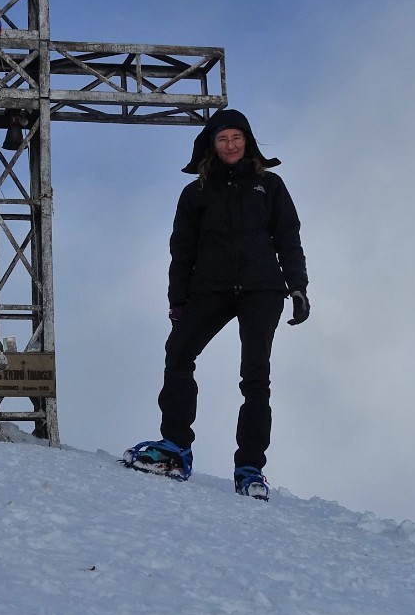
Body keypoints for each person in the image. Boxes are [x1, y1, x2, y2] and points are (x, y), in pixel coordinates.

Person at [124, 108, 308, 499]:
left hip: (263, 288)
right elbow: (182, 251)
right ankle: (175, 449)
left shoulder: (270, 186)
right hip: (211, 287)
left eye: (237, 138)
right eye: (223, 139)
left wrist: (298, 288)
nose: (231, 145)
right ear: (211, 144)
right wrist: (178, 299)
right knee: (178, 353)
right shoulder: (196, 193)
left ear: (248, 141)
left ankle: (250, 469)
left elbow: (288, 239)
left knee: (255, 377)